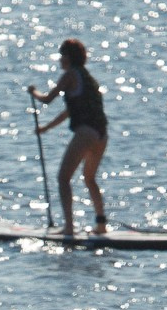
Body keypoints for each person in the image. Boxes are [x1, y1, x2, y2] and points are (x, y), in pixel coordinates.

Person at [27, 39, 108, 238]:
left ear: (68, 57)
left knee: (63, 178)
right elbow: (69, 111)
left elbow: (47, 99)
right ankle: (101, 224)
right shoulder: (87, 78)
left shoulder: (70, 75)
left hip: (86, 133)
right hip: (101, 134)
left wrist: (33, 92)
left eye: (62, 56)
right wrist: (46, 128)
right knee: (89, 179)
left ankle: (69, 228)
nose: (59, 60)